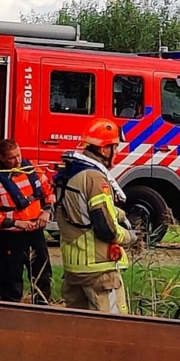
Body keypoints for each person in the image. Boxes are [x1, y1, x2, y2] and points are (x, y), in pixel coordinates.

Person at [52, 118, 138, 314]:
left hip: (74, 269)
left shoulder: (70, 173)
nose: (116, 152)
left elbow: (80, 210)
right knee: (114, 330)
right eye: (114, 147)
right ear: (103, 149)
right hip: (99, 270)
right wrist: (129, 237)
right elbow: (105, 228)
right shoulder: (95, 178)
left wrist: (119, 213)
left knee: (80, 330)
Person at [0, 138, 55, 304]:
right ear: (1, 158)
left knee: (43, 276)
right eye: (11, 158)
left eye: (18, 155)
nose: (17, 160)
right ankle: (11, 313)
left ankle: (43, 307)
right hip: (11, 237)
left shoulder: (33, 170)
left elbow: (49, 193)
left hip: (35, 231)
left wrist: (47, 212)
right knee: (11, 280)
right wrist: (16, 223)